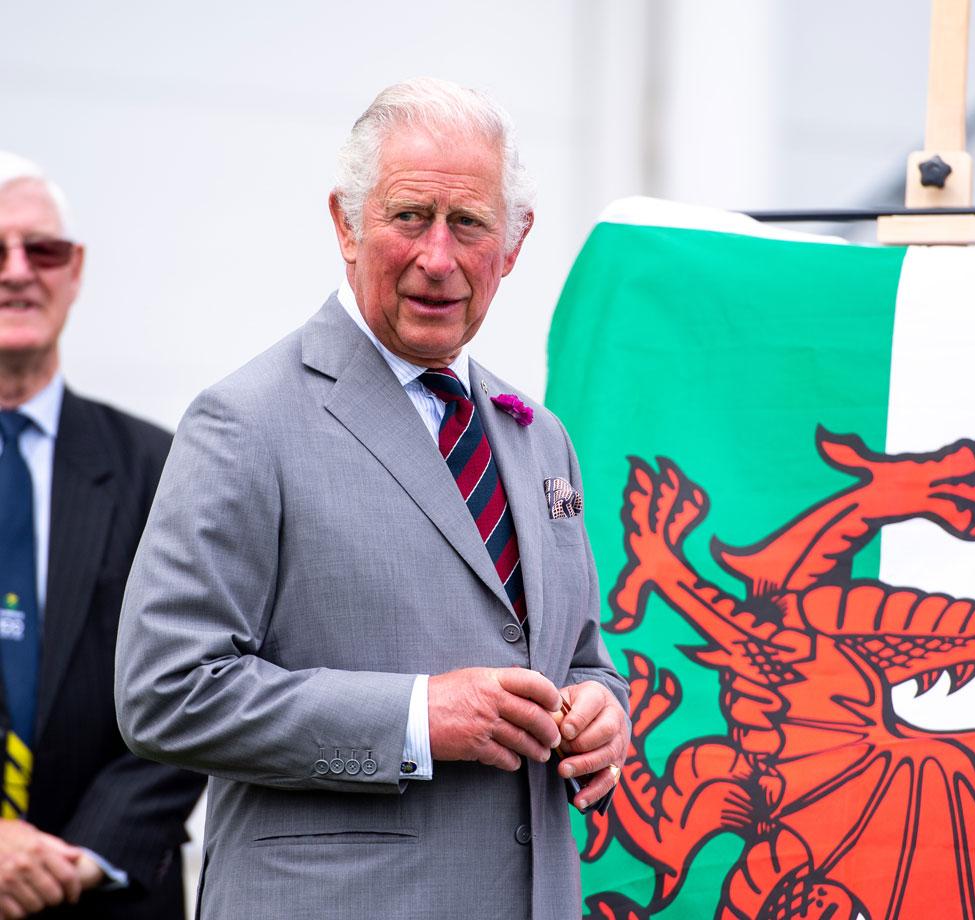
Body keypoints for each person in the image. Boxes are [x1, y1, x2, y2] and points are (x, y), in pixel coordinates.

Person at [114, 78, 630, 919]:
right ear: (345, 225)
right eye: (409, 217)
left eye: (467, 223)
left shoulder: (540, 437)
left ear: (514, 242)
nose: (438, 257)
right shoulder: (245, 421)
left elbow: (580, 657)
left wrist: (603, 709)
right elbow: (166, 692)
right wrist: (419, 717)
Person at [0, 153, 205, 918]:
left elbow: (198, 675)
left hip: (109, 893)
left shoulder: (163, 466)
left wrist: (80, 856)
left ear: (75, 269)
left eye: (42, 250)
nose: (18, 272)